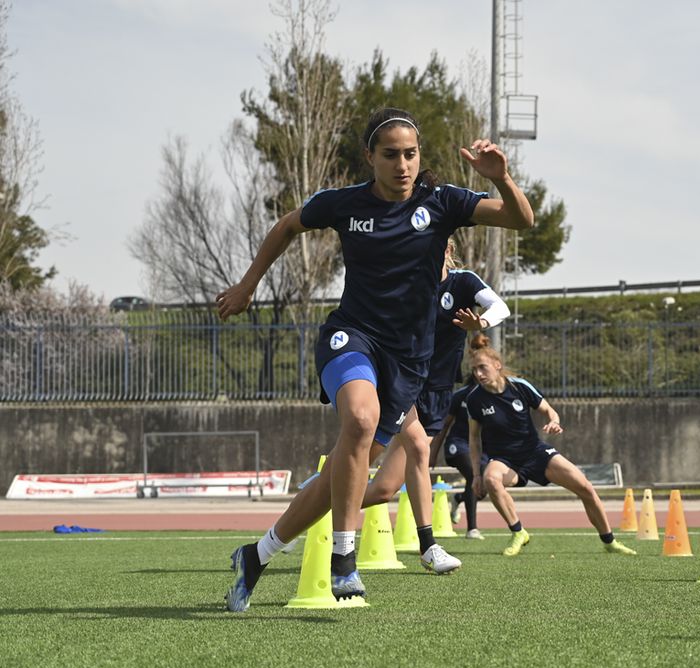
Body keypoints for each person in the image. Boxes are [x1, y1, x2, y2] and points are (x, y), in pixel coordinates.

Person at [216, 107, 533, 612]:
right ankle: (345, 557)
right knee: (360, 420)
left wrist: (502, 179)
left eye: (411, 154)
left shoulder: (443, 202)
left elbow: (522, 220)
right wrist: (247, 285)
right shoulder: (345, 204)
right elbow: (286, 226)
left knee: (356, 473)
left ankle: (256, 555)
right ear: (370, 157)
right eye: (390, 155)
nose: (403, 164)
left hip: (407, 362)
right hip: (352, 336)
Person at [350, 240, 509, 538]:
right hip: (403, 386)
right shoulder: (408, 284)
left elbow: (500, 306)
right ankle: (428, 544)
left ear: (448, 250)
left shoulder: (464, 282)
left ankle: (313, 506)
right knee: (366, 457)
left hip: (437, 393)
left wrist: (482, 321)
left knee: (384, 489)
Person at [464, 335, 637, 556]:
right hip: (504, 460)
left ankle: (609, 541)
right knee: (491, 478)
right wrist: (477, 475)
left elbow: (549, 411)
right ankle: (518, 531)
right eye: (475, 370)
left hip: (535, 452)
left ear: (497, 366)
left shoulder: (519, 387)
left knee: (585, 488)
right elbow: (473, 439)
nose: (478, 374)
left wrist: (554, 421)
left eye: (483, 368)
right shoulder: (474, 399)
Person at [430, 376, 490, 539]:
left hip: (480, 449)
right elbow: (444, 426)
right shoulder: (461, 395)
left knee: (485, 485)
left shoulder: (496, 397)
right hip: (458, 445)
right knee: (473, 474)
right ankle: (472, 529)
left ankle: (458, 498)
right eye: (478, 368)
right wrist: (432, 453)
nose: (481, 373)